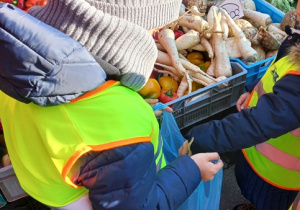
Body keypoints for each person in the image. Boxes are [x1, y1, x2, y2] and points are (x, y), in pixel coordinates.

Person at [0, 1, 224, 210]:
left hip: (47, 189)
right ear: (122, 32)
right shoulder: (122, 123)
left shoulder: (17, 64)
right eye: (155, 31)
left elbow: (74, 127)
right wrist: (191, 171)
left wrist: (126, 106)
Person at [180, 2, 300, 210]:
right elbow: (277, 68)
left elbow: (260, 123)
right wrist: (253, 88)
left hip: (277, 174)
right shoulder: (295, 37)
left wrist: (201, 138)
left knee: (267, 202)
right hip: (254, 148)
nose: (297, 11)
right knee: (251, 189)